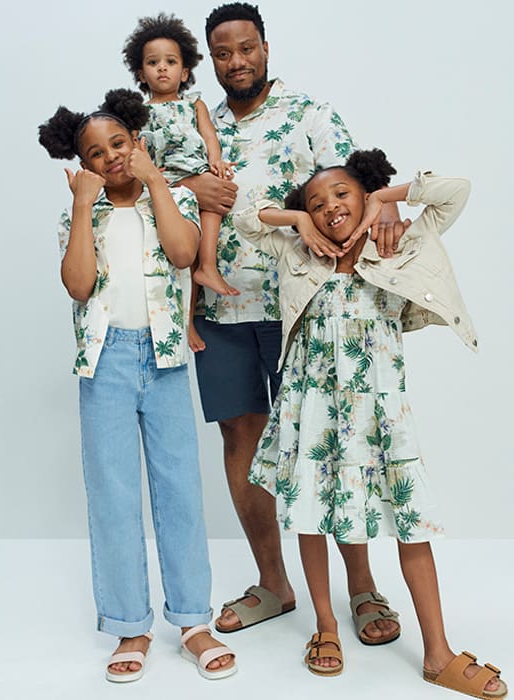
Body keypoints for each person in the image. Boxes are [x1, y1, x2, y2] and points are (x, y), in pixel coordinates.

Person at [233, 149, 507, 698]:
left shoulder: (396, 243)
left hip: (381, 415)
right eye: (317, 202)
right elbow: (245, 216)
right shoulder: (297, 252)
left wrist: (388, 197)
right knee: (310, 516)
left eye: (342, 194)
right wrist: (298, 221)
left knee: (411, 522)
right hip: (309, 409)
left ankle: (438, 653)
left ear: (363, 195)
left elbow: (456, 188)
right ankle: (325, 627)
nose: (330, 206)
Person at [180, 2, 405, 642]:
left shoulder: (309, 114)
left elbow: (357, 188)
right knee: (241, 442)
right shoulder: (197, 125)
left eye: (245, 48)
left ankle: (362, 589)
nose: (236, 62)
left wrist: (388, 206)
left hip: (300, 306)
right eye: (222, 53)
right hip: (219, 309)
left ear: (265, 47)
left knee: (335, 443)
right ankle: (274, 584)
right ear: (209, 59)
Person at [37, 88, 236, 682]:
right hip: (106, 364)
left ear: (137, 143)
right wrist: (79, 207)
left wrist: (155, 183)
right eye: (95, 154)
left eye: (118, 144)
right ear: (86, 166)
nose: (110, 158)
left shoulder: (167, 197)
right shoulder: (85, 212)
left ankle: (193, 622)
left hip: (166, 357)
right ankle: (130, 624)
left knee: (179, 489)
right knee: (114, 495)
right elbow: (77, 285)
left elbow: (182, 254)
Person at [123, 13, 239, 301]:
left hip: (196, 168)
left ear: (184, 72)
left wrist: (216, 161)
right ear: (141, 74)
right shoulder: (139, 110)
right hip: (165, 180)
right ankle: (184, 320)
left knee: (213, 207)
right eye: (153, 63)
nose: (162, 68)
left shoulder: (194, 103)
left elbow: (209, 134)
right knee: (178, 247)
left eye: (171, 62)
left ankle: (209, 266)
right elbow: (134, 146)